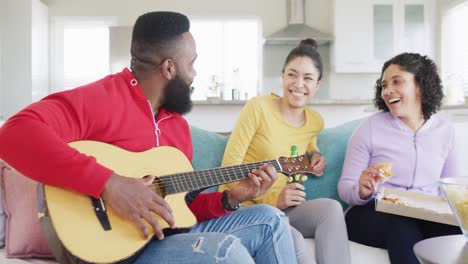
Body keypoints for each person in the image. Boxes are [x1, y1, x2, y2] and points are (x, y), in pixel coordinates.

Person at [0, 11, 297, 264]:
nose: (195, 74)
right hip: (111, 251)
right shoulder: (99, 100)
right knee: (225, 252)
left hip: (163, 237)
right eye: (191, 63)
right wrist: (110, 184)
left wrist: (231, 198)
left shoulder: (177, 126)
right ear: (169, 68)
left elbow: (182, 210)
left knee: (271, 220)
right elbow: (12, 135)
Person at [219, 39, 351, 264]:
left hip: (284, 208)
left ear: (318, 84)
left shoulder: (315, 121)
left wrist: (315, 154)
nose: (298, 84)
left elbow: (307, 140)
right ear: (282, 76)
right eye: (292, 74)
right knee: (294, 238)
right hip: (245, 208)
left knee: (331, 208)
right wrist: (273, 199)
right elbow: (228, 171)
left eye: (308, 78)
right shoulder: (258, 108)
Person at [338, 52, 462, 264]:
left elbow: (453, 188)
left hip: (425, 212)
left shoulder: (445, 131)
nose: (388, 91)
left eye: (397, 82)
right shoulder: (369, 128)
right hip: (372, 211)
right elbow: (345, 186)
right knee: (400, 224)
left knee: (456, 229)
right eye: (384, 85)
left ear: (420, 86)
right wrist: (361, 190)